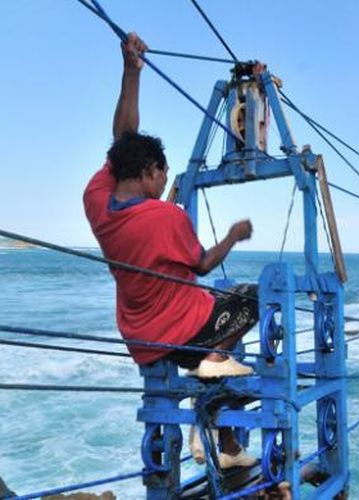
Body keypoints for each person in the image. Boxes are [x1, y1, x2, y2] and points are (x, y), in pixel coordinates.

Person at [83, 32, 258, 468]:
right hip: (187, 334)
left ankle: (226, 440)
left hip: (142, 338)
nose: (164, 183)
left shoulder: (97, 201)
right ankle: (216, 367)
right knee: (253, 298)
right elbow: (200, 263)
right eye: (161, 175)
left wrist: (131, 72)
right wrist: (233, 236)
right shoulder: (166, 217)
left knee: (222, 302)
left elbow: (123, 139)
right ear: (146, 172)